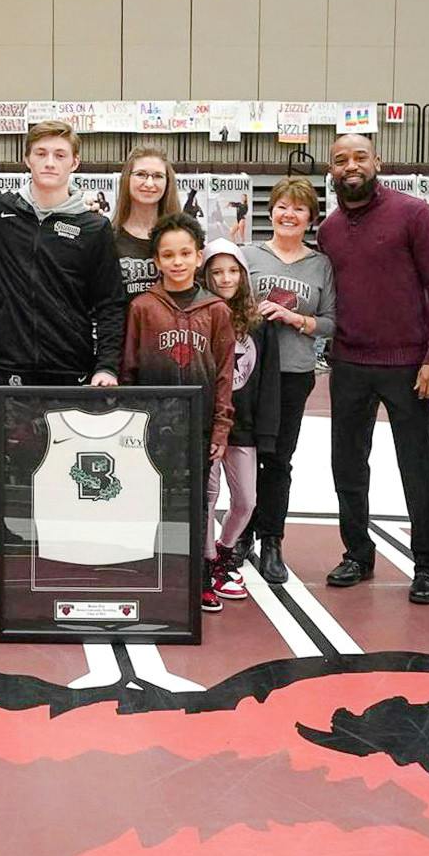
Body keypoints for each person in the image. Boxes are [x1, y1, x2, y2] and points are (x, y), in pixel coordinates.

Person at [316, 132, 429, 603]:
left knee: (418, 467)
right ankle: (357, 552)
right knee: (348, 466)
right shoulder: (329, 229)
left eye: (360, 156)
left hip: (409, 367)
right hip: (349, 364)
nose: (350, 166)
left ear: (378, 161)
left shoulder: (413, 213)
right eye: (340, 160)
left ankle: (428, 563)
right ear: (331, 170)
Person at [0, 120, 125, 561]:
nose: (50, 162)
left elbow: (111, 304)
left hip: (70, 372)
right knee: (6, 473)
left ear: (75, 163)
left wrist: (106, 365)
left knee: (64, 474)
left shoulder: (93, 229)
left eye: (60, 155)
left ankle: (60, 563)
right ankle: (5, 568)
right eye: (41, 153)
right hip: (11, 372)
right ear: (27, 158)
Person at [121, 213, 234, 614]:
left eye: (185, 253)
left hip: (200, 425)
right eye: (168, 254)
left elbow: (224, 374)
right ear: (156, 260)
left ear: (199, 256)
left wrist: (221, 428)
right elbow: (128, 371)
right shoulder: (142, 307)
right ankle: (149, 573)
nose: (177, 261)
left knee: (197, 504)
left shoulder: (216, 310)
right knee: (151, 499)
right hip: (153, 425)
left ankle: (198, 578)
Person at [241, 177, 336, 585]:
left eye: (298, 209)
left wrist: (297, 319)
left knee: (278, 459)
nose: (288, 214)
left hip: (294, 373)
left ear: (311, 219)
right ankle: (240, 530)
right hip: (248, 372)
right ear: (271, 211)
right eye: (282, 206)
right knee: (242, 458)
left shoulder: (321, 265)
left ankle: (272, 540)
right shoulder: (248, 256)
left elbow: (332, 321)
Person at [199, 239, 279, 606]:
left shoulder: (259, 323)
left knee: (246, 500)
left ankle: (226, 548)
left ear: (244, 275)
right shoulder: (200, 313)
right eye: (216, 272)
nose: (225, 278)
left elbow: (266, 379)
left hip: (243, 426)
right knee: (207, 497)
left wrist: (266, 431)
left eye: (232, 271)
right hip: (208, 425)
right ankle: (209, 563)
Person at [110, 146, 180, 301]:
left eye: (158, 176)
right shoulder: (108, 237)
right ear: (127, 178)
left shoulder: (181, 236)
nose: (149, 183)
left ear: (168, 182)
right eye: (141, 174)